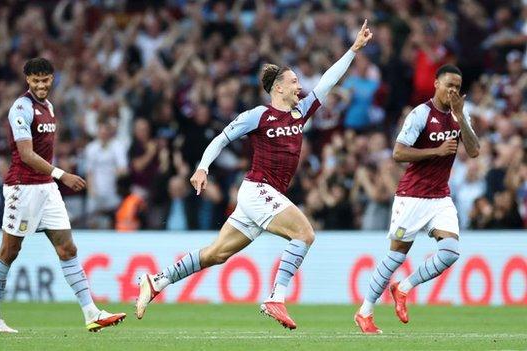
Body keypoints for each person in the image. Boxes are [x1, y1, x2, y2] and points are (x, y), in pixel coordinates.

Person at [136, 21, 373, 330]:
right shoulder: (258, 116)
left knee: (216, 254)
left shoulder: (301, 112)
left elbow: (329, 81)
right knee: (304, 234)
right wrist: (203, 167)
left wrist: (353, 50)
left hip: (265, 196)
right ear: (278, 88)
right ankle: (276, 297)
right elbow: (222, 138)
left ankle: (157, 281)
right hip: (257, 190)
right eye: (293, 81)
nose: (299, 86)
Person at [0, 58, 126, 333]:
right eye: (35, 80)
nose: (41, 85)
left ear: (52, 79)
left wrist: (54, 177)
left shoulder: (48, 107)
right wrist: (63, 175)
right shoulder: (21, 108)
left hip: (46, 189)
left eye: (45, 79)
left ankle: (91, 313)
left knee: (68, 248)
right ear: (27, 80)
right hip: (22, 188)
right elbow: (26, 155)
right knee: (9, 251)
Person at [355, 64, 480, 334]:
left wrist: (461, 117)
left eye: (458, 87)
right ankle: (365, 312)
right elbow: (398, 153)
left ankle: (403, 288)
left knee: (451, 252)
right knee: (395, 257)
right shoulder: (420, 114)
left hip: (440, 197)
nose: (453, 91)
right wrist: (435, 151)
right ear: (436, 83)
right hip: (411, 196)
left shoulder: (460, 114)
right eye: (449, 85)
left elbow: (474, 151)